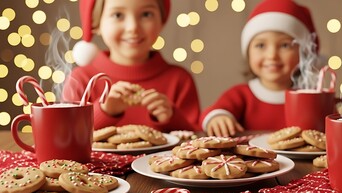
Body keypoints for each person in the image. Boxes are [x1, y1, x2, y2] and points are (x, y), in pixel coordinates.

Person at [63, 0, 201, 132]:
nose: (133, 27)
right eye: (118, 15)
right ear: (96, 23)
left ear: (162, 20)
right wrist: (104, 111)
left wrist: (172, 118)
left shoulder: (180, 80)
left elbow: (195, 144)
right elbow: (68, 137)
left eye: (146, 14)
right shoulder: (81, 80)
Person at [200, 0, 320, 137]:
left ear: (303, 53)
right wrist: (217, 118)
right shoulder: (241, 94)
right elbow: (212, 112)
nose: (272, 55)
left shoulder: (310, 98)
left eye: (285, 45)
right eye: (261, 45)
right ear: (248, 52)